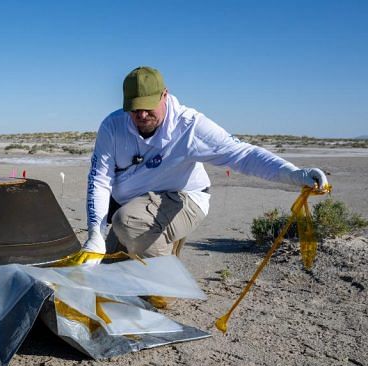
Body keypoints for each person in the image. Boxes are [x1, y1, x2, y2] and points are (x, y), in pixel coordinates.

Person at [83, 66, 329, 259]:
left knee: (127, 223)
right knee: (109, 266)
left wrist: (293, 174)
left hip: (183, 197)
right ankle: (154, 248)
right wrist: (95, 233)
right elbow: (100, 179)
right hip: (134, 203)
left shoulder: (190, 126)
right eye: (135, 109)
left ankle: (164, 285)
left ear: (164, 95)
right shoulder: (112, 126)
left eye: (148, 107)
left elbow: (243, 154)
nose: (142, 115)